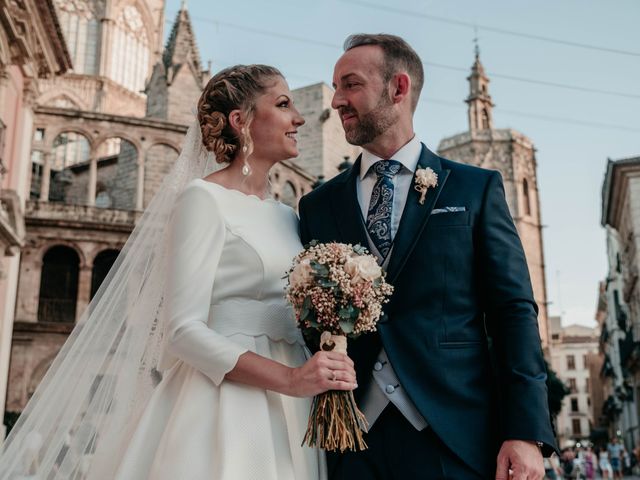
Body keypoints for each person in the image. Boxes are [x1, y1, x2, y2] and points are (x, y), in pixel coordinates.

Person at [0, 65, 356, 479]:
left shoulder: (288, 216)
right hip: (230, 398)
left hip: (295, 401)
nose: (299, 118)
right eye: (282, 104)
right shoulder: (203, 199)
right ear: (241, 121)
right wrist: (289, 378)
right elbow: (183, 329)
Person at [298, 33, 558, 478]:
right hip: (351, 439)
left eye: (350, 84)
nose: (337, 99)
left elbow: (513, 312)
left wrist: (526, 431)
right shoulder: (318, 205)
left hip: (454, 436)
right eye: (335, 87)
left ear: (398, 88)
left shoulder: (474, 188)